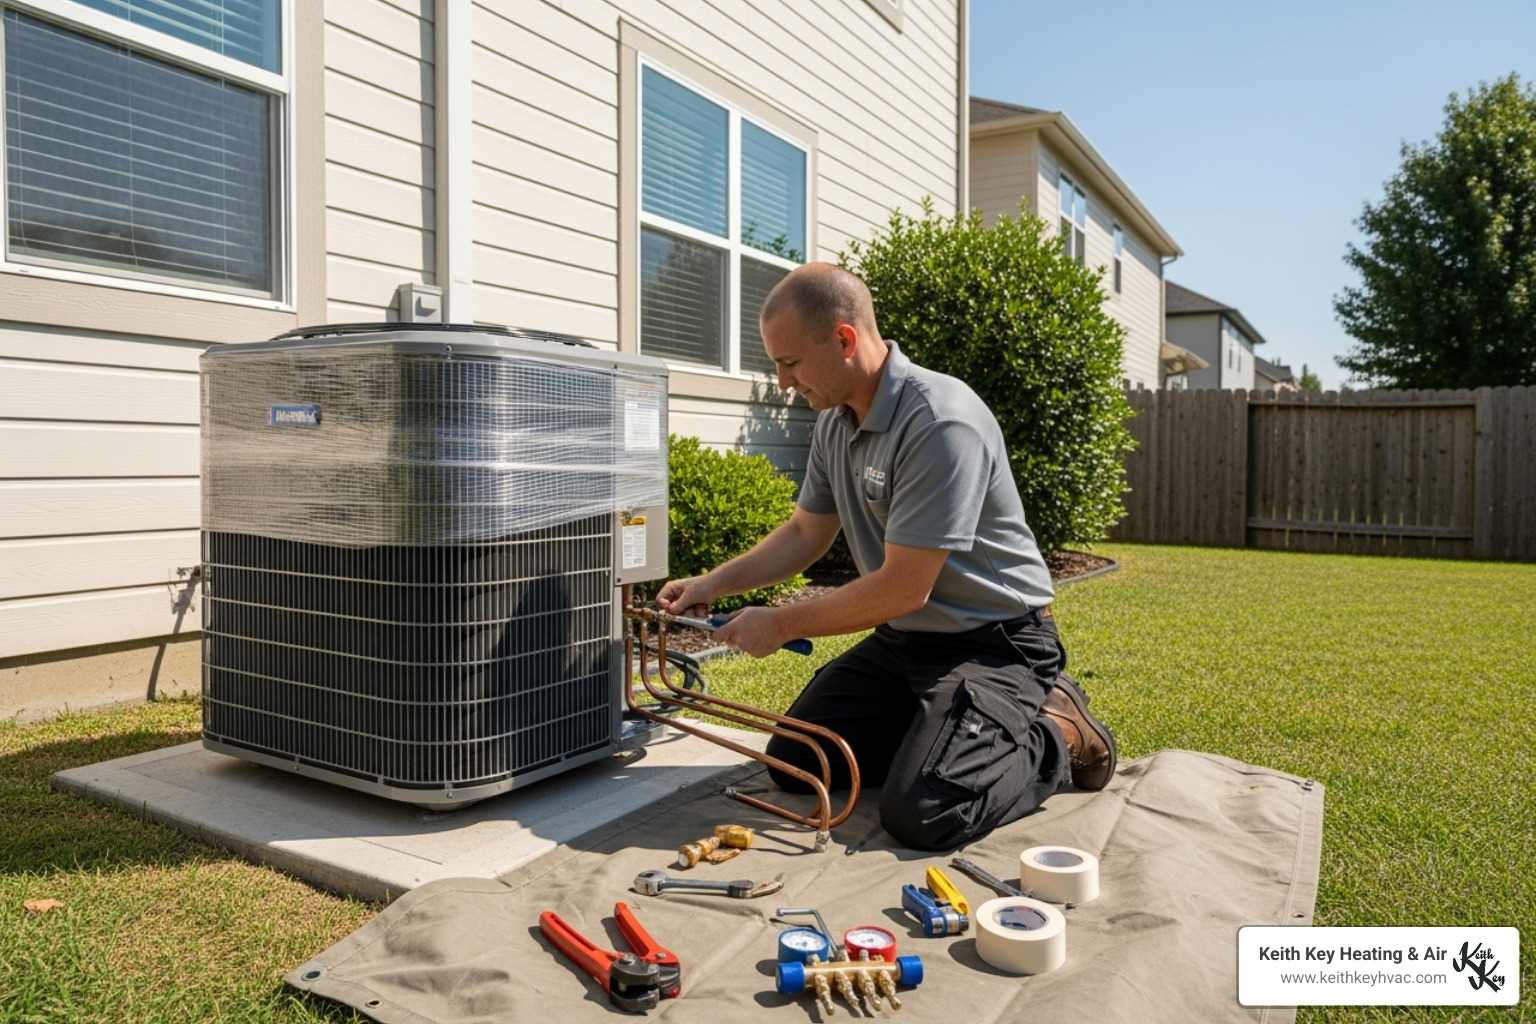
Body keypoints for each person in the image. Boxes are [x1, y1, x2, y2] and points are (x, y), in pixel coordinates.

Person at [657, 263, 1115, 851]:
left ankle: (1060, 729)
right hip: (907, 641)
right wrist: (711, 584)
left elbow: (903, 588)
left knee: (925, 810)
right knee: (799, 761)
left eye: (790, 362)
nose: (781, 382)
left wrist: (781, 623)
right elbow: (804, 534)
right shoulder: (836, 422)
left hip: (994, 643)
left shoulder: (939, 421)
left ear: (845, 340)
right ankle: (943, 731)